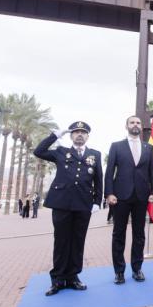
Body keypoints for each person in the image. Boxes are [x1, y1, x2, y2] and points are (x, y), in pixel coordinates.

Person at [33, 121, 103, 296]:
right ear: (71, 135)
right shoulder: (61, 152)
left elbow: (98, 180)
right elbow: (38, 151)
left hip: (83, 204)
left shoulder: (95, 155)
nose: (80, 134)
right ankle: (57, 279)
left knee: (78, 241)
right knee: (61, 241)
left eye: (83, 132)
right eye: (76, 132)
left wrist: (97, 201)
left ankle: (73, 277)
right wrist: (55, 135)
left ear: (88, 136)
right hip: (62, 203)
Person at [105, 116, 153, 285]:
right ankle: (119, 272)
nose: (135, 125)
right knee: (118, 234)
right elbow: (109, 172)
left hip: (141, 196)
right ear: (126, 126)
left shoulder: (148, 148)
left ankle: (137, 269)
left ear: (141, 127)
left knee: (139, 234)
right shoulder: (116, 146)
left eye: (138, 123)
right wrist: (109, 193)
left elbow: (152, 173)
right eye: (132, 123)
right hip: (120, 196)